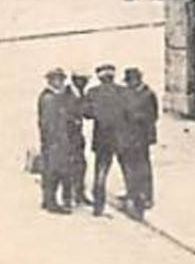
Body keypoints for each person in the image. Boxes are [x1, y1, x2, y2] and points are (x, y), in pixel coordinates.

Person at [83, 64, 127, 216]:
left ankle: (98, 206)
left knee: (101, 171)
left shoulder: (93, 93)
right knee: (128, 170)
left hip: (102, 137)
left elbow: (87, 114)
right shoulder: (123, 92)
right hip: (122, 136)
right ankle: (134, 202)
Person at [117, 67, 159, 218]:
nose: (130, 84)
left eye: (132, 81)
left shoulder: (148, 94)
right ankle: (132, 193)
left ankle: (146, 196)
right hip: (128, 137)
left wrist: (137, 118)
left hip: (142, 137)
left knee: (142, 165)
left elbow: (153, 116)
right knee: (129, 165)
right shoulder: (126, 93)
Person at [36, 68, 74, 214]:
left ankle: (49, 200)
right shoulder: (49, 98)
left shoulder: (56, 96)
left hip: (59, 140)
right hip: (56, 140)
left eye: (61, 79)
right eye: (56, 80)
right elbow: (49, 122)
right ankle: (52, 202)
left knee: (55, 170)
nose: (59, 82)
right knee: (55, 171)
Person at [66, 72, 90, 206]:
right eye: (81, 80)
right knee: (69, 166)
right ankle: (70, 196)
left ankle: (79, 194)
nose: (83, 83)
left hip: (77, 136)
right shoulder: (67, 94)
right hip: (67, 136)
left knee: (81, 165)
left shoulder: (82, 94)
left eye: (85, 80)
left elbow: (86, 113)